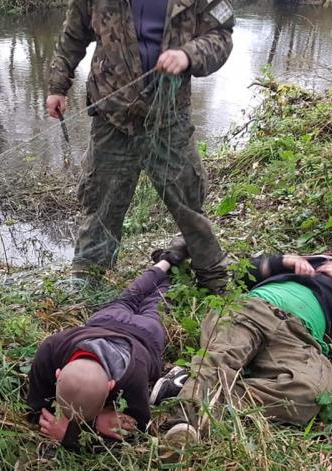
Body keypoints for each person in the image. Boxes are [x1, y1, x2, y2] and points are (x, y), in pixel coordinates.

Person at [45, 0, 235, 292]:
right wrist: (57, 87)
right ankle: (89, 282)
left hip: (169, 118)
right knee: (101, 204)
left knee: (188, 203)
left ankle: (213, 279)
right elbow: (73, 35)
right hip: (112, 115)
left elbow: (221, 36)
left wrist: (188, 54)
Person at [150, 243, 332, 443]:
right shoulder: (306, 260)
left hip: (300, 337)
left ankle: (187, 387)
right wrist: (282, 261)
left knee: (308, 393)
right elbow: (240, 276)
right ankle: (185, 423)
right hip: (254, 308)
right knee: (223, 355)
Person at [26, 239, 188, 449]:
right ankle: (166, 263)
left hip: (145, 335)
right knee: (133, 295)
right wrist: (95, 419)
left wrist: (73, 434)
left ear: (58, 374)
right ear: (110, 385)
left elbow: (138, 429)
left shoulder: (133, 377)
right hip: (107, 320)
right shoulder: (54, 347)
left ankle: (172, 268)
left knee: (156, 303)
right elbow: (134, 427)